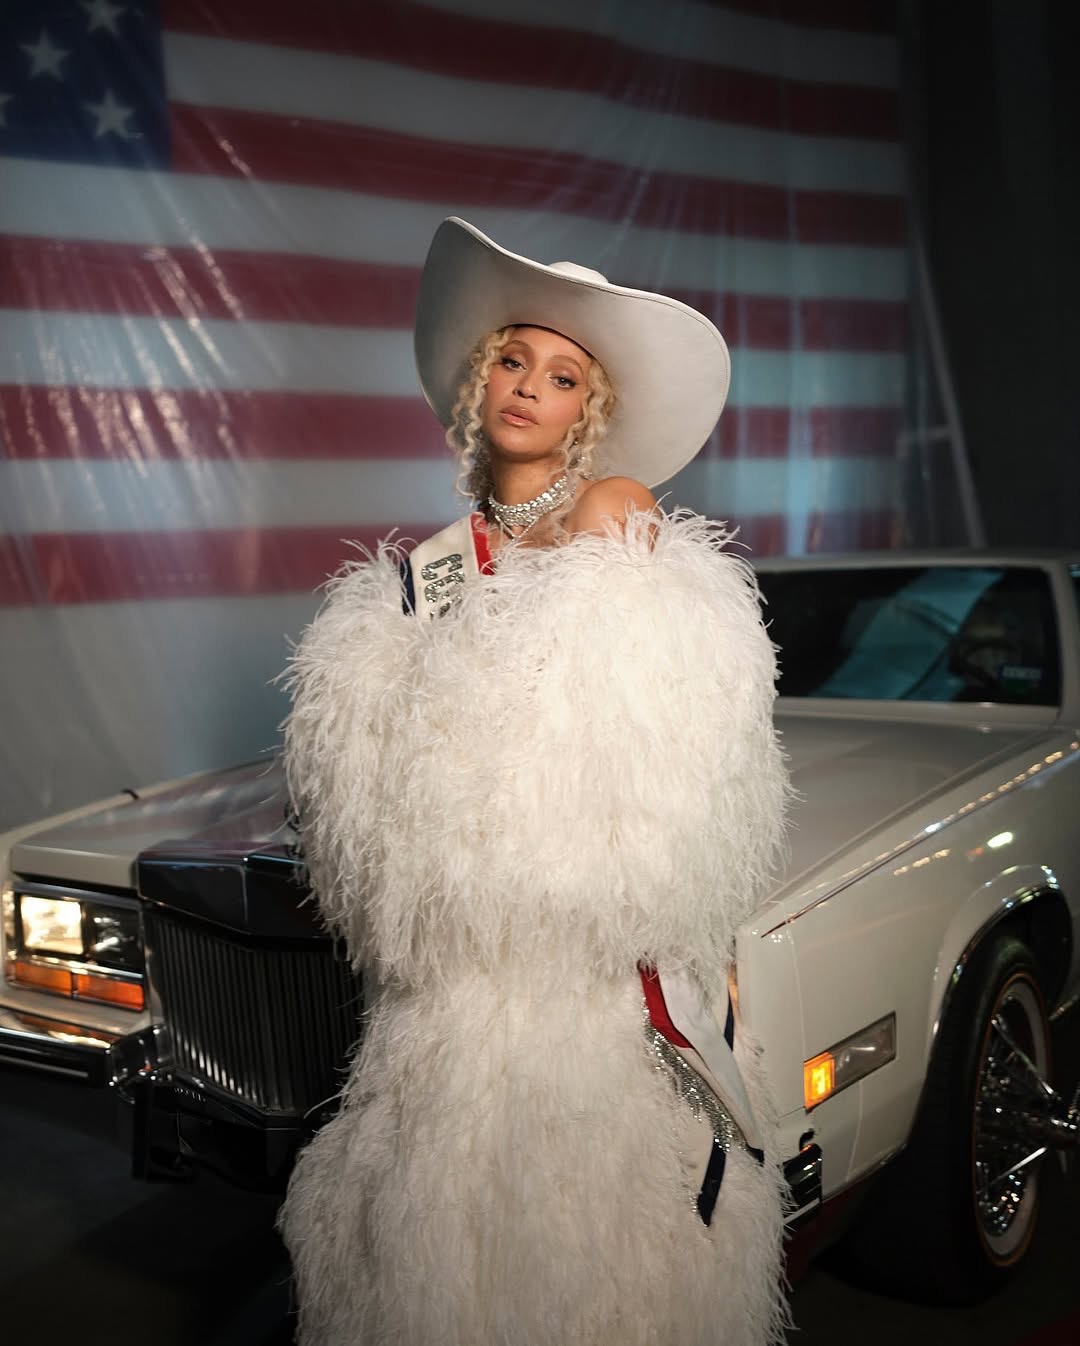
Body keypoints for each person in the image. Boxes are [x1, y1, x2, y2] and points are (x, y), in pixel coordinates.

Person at [277, 217, 791, 1346]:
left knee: (590, 1259)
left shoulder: (615, 513)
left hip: (578, 975)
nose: (529, 387)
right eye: (514, 359)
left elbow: (648, 747)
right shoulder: (427, 569)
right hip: (451, 990)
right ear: (481, 379)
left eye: (562, 377)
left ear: (585, 411)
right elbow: (387, 773)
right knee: (436, 1251)